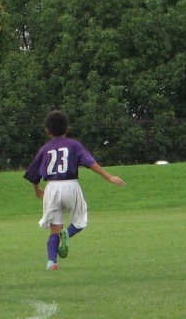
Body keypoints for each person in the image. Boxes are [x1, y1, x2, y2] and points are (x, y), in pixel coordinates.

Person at [24, 110, 125, 270]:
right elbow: (90, 163)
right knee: (80, 220)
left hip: (51, 188)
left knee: (54, 229)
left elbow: (34, 173)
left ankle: (52, 262)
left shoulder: (45, 149)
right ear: (67, 128)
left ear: (47, 130)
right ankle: (67, 233)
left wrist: (37, 189)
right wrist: (109, 177)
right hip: (70, 185)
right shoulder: (74, 145)